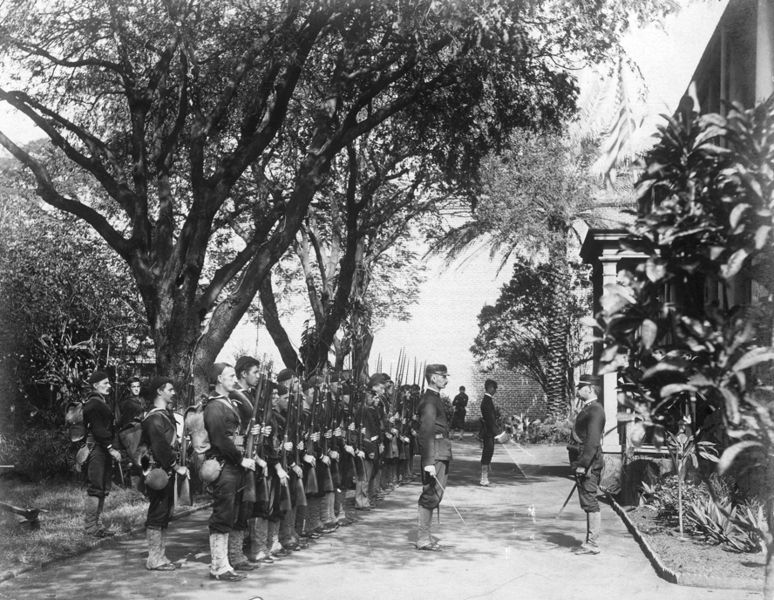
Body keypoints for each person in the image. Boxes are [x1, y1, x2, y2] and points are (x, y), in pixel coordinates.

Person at [203, 363, 257, 581]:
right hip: (224, 465)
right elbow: (219, 439)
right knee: (222, 514)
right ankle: (218, 566)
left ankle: (224, 563)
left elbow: (234, 434)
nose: (235, 380)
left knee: (231, 513)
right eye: (230, 376)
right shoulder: (214, 406)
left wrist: (246, 437)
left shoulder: (227, 402)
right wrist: (240, 458)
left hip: (233, 465)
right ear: (218, 379)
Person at [140, 376, 189, 570]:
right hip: (159, 471)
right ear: (159, 391)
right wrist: (176, 466)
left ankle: (160, 555)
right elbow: (160, 448)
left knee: (164, 512)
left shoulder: (164, 416)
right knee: (158, 512)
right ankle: (154, 558)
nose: (173, 392)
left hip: (165, 470)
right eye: (170, 389)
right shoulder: (154, 418)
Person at [567, 374, 605, 555]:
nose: (577, 390)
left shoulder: (596, 410)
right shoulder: (590, 408)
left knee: (590, 501)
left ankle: (593, 543)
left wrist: (582, 464)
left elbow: (593, 442)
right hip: (584, 462)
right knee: (587, 500)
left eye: (580, 387)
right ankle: (590, 541)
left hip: (589, 464)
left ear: (589, 388)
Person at [415, 363, 451, 551]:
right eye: (443, 376)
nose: (446, 379)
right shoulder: (430, 401)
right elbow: (426, 431)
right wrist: (428, 461)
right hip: (435, 454)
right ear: (433, 378)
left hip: (439, 452)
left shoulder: (434, 398)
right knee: (431, 494)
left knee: (435, 494)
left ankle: (425, 537)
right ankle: (423, 539)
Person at [82, 370, 122, 537]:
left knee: (102, 487)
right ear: (95, 386)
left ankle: (96, 525)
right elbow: (98, 429)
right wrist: (111, 448)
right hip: (97, 449)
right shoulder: (94, 403)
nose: (109, 386)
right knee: (96, 488)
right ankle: (90, 527)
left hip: (101, 449)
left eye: (108, 383)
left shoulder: (99, 402)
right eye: (105, 383)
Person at [479, 379, 498, 486]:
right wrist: (497, 433)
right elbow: (490, 419)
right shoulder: (487, 401)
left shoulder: (487, 400)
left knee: (488, 452)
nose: (495, 391)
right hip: (488, 431)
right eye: (495, 389)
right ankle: (483, 478)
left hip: (489, 430)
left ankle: (485, 477)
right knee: (487, 453)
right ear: (490, 388)